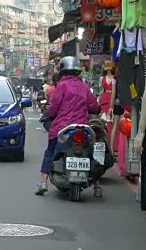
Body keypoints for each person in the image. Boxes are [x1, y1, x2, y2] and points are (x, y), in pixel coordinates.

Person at [35, 56, 100, 195]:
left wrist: (49, 113)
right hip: (83, 127)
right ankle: (96, 185)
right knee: (90, 152)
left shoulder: (62, 86)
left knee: (50, 151)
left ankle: (43, 182)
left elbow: (54, 107)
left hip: (62, 127)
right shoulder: (84, 87)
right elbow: (94, 106)